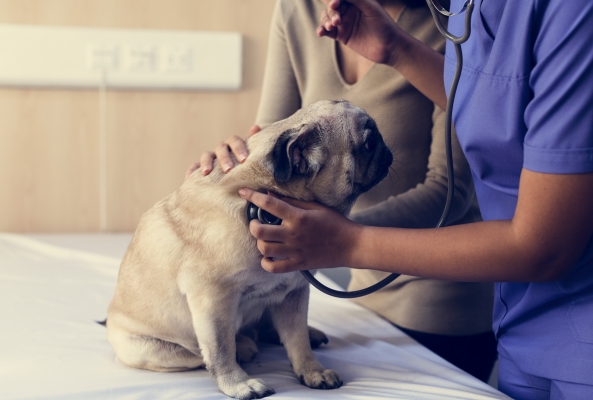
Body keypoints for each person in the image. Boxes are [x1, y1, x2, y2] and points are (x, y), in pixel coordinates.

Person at [231, 0, 593, 398]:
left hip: (566, 333)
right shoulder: (463, 10)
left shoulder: (566, 14)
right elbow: (499, 108)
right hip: (519, 324)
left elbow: (543, 244)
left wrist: (345, 241)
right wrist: (236, 166)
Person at [188, 0, 498, 382]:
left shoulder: (454, 25)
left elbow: (448, 192)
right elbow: (275, 148)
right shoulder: (297, 10)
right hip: (357, 296)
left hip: (437, 305)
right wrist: (232, 166)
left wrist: (334, 239)